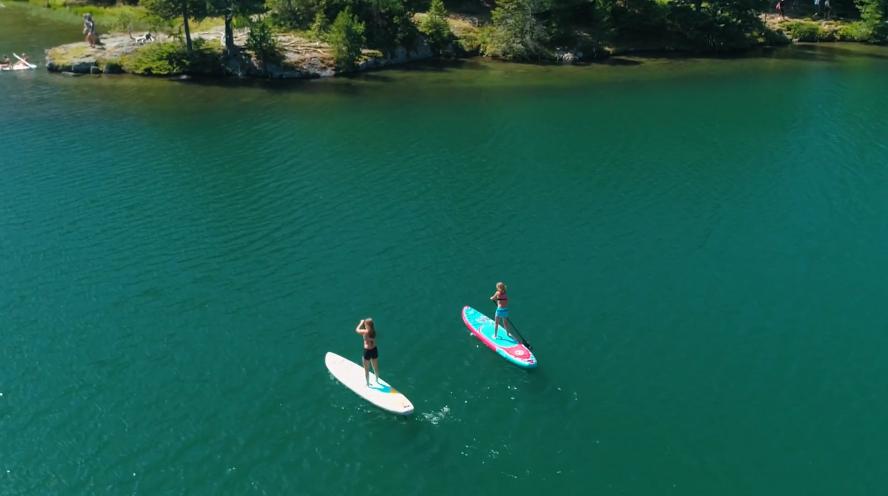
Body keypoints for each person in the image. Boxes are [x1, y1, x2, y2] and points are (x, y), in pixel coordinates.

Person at [355, 318, 379, 387]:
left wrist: (361, 322)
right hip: (374, 350)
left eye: (365, 324)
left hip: (367, 351)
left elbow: (356, 330)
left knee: (366, 369)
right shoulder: (374, 331)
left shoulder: (365, 332)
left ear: (367, 325)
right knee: (375, 367)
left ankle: (368, 384)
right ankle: (377, 380)